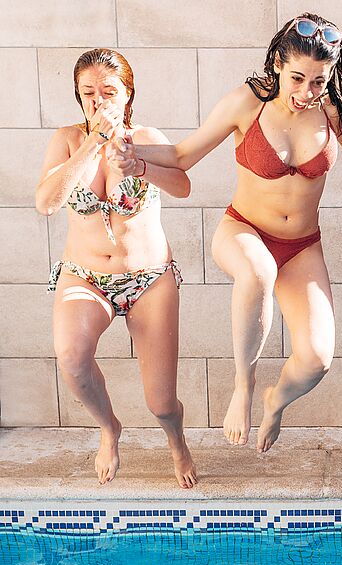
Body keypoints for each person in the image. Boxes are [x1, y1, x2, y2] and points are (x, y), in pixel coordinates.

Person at [122, 14, 342, 452]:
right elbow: (181, 155)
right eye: (297, 78)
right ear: (277, 63)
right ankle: (245, 386)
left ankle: (275, 401)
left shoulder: (329, 108)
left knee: (317, 360)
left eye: (318, 82)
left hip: (301, 248)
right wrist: (131, 149)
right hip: (243, 230)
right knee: (257, 272)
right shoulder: (247, 102)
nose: (306, 93)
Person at [35, 48, 198, 488]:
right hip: (85, 276)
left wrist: (140, 165)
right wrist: (93, 143)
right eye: (88, 93)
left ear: (127, 95)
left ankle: (176, 440)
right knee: (71, 357)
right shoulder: (68, 140)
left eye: (108, 92)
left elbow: (182, 185)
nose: (97, 101)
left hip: (149, 279)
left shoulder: (145, 135)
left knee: (161, 402)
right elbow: (46, 203)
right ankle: (109, 428)